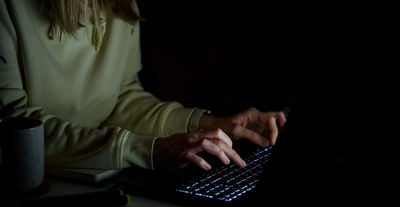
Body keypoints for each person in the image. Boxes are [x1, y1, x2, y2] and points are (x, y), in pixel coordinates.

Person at [0, 0, 286, 173]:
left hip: (98, 176)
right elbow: (14, 129)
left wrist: (214, 123)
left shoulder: (122, 6)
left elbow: (122, 98)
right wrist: (144, 150)